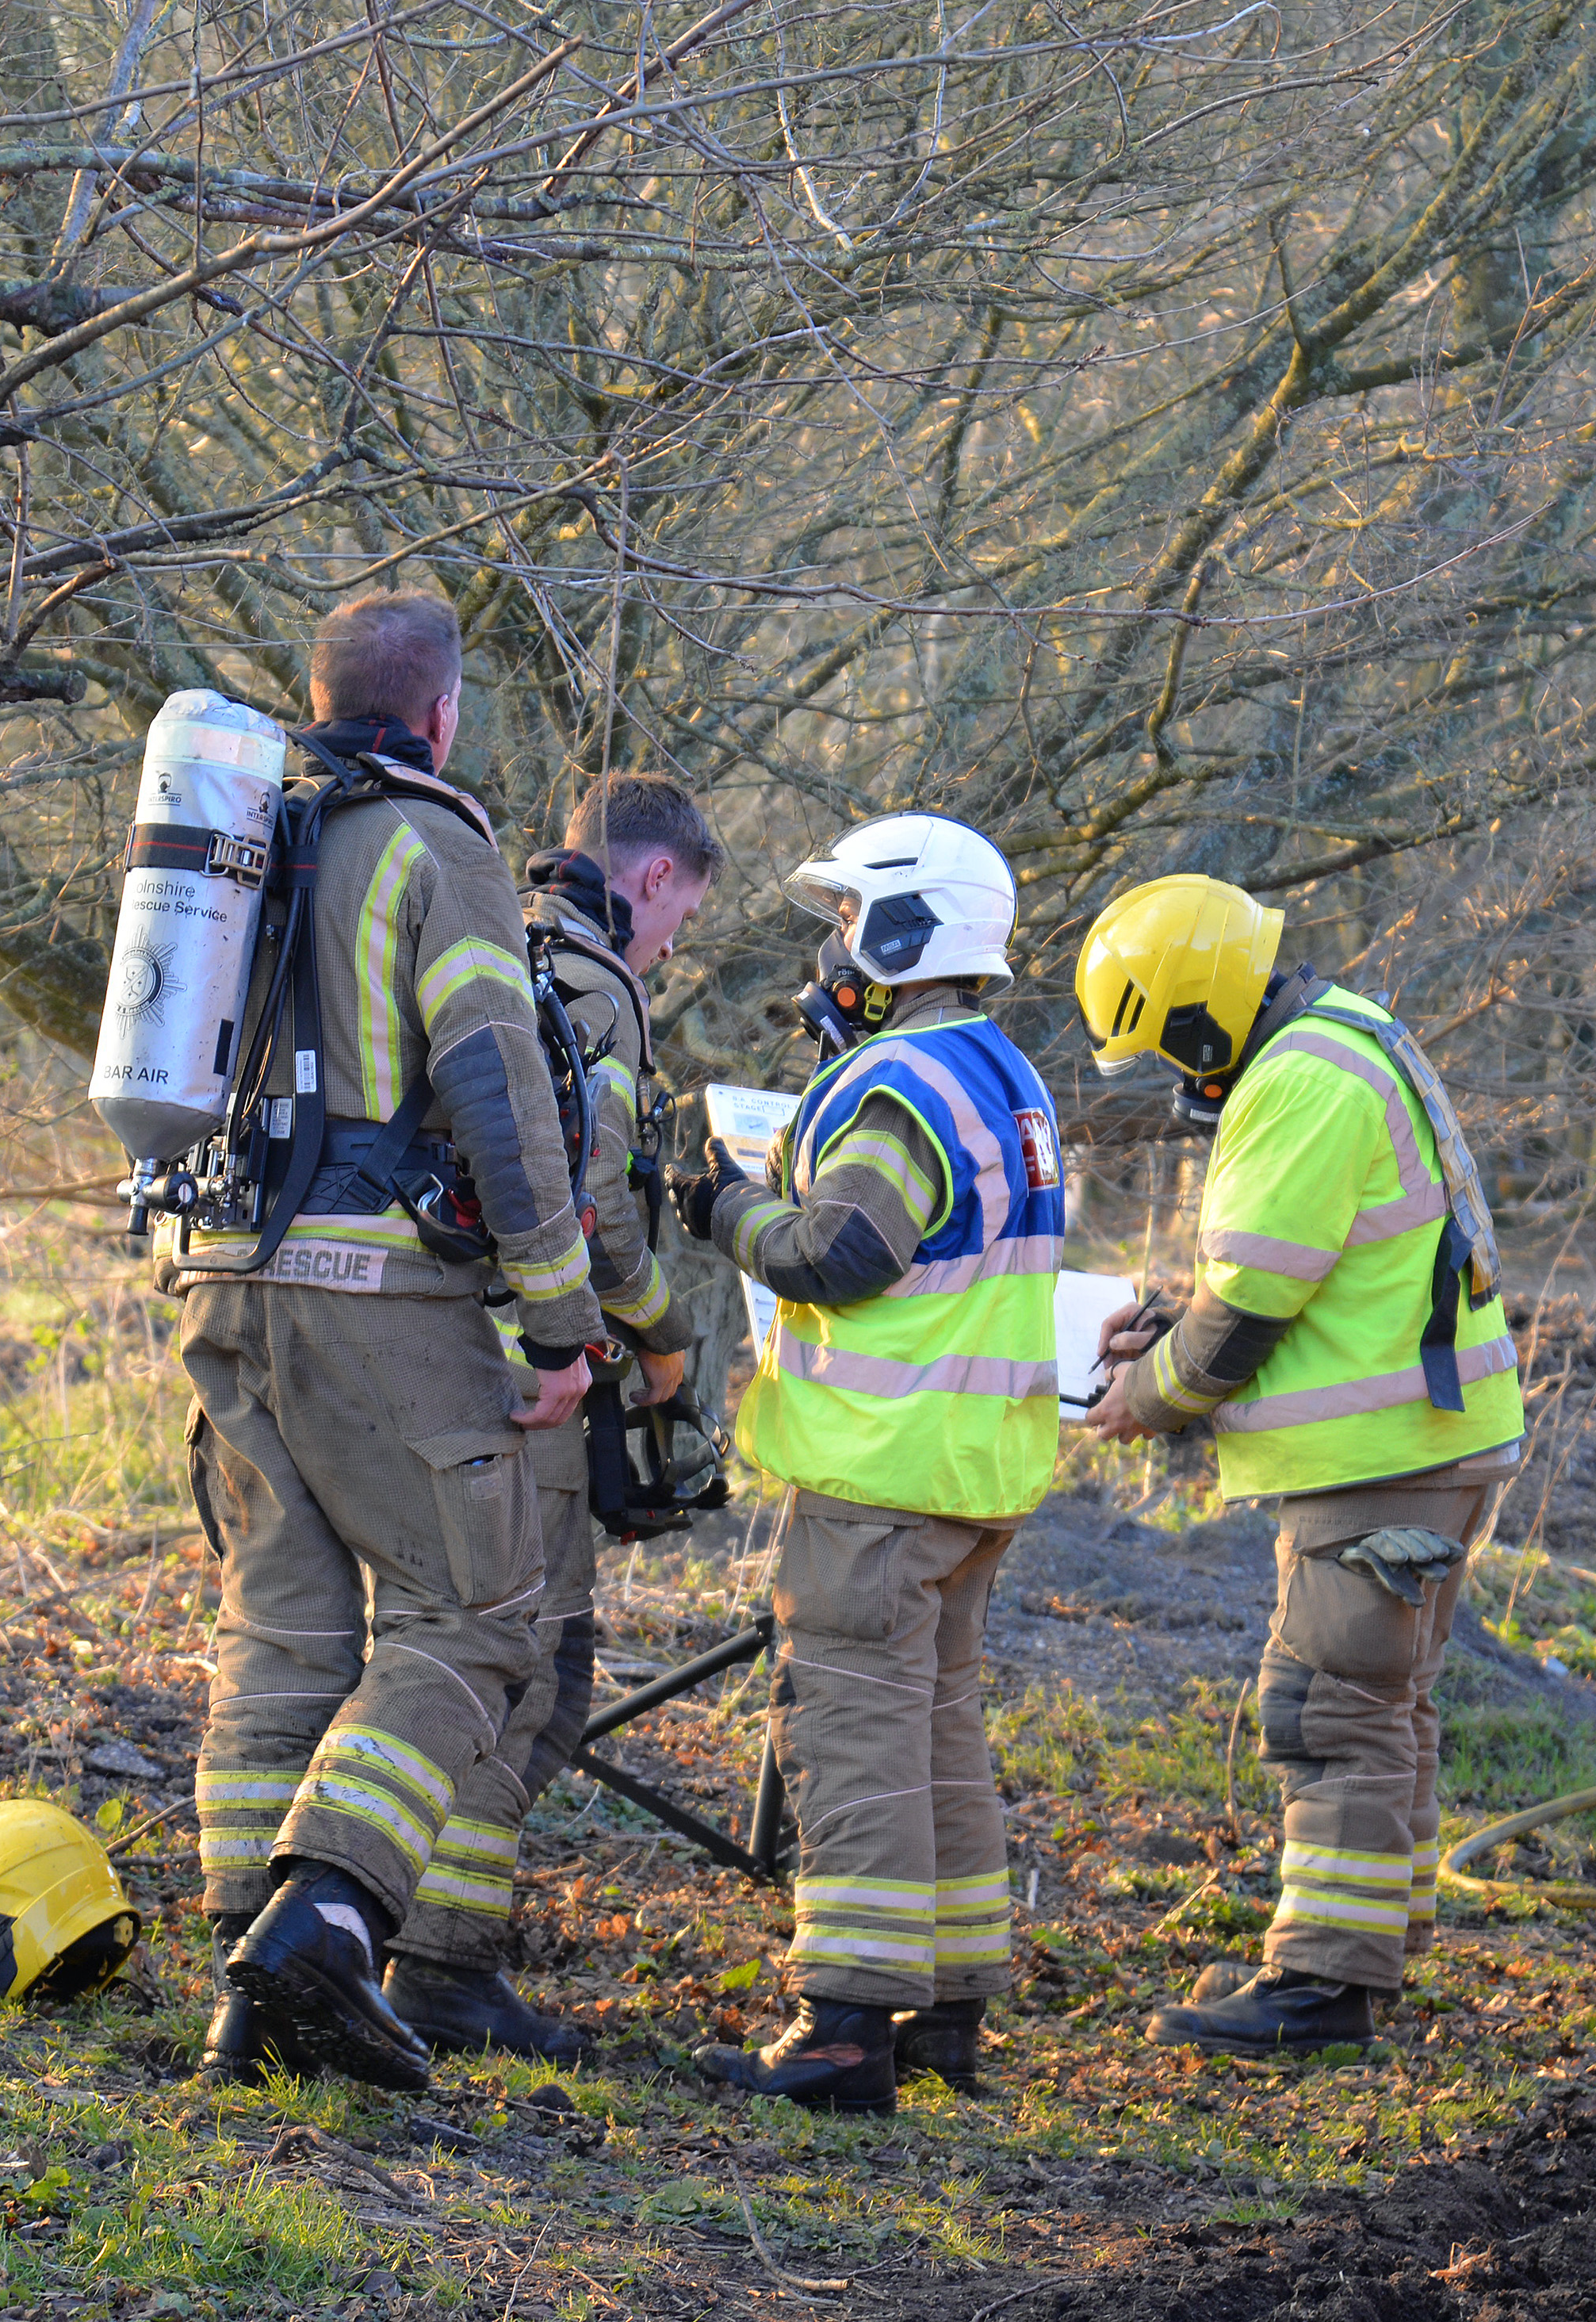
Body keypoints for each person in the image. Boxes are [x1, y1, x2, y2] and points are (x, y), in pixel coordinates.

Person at [164, 588, 604, 2092]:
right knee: (475, 1616)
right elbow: (500, 1088)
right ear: (443, 713)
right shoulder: (440, 841)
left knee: (282, 1622)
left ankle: (250, 1978)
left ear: (314, 692)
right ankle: (326, 1921)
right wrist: (563, 1318)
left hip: (221, 1277)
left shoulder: (244, 837)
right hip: (381, 1294)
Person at [1069, 873, 1525, 2053]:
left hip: (1382, 1460)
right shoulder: (1343, 1036)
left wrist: (1146, 1395)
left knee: (1330, 1708)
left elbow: (1254, 1308)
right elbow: (1301, 1274)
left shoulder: (1298, 1079)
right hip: (1427, 1442)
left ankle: (1324, 1985)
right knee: (1387, 1704)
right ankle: (1367, 1954)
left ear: (1197, 1015)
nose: (1174, 1084)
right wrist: (1178, 1324)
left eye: (1164, 1050)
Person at [671, 814, 1063, 2115]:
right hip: (965, 1475)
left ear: (904, 929)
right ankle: (944, 2010)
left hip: (880, 1475)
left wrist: (719, 1205)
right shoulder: (1004, 1073)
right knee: (938, 1732)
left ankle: (843, 2024)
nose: (832, 947)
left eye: (848, 919)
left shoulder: (903, 1086)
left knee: (852, 1736)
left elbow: (842, 1253)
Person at [383, 772, 723, 2061]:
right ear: (648, 880)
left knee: (468, 1649)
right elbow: (600, 1206)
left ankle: (402, 1935)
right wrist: (663, 1343)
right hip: (536, 1368)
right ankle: (445, 1965)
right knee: (536, 1671)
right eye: (682, 912)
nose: (678, 941)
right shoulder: (594, 986)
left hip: (438, 1352)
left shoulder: (494, 936)